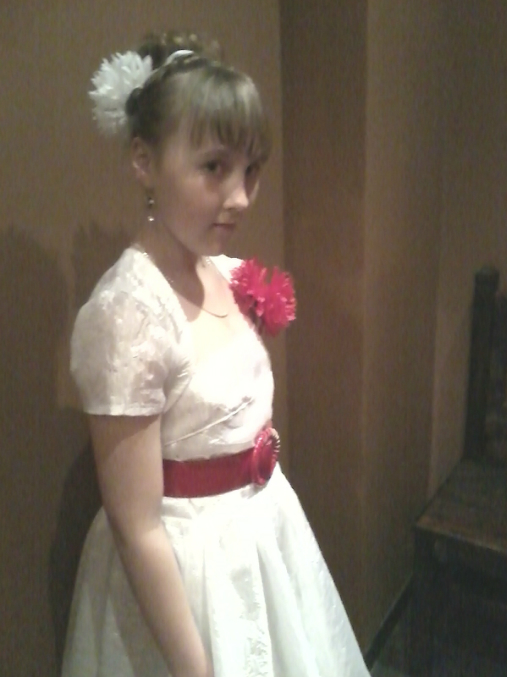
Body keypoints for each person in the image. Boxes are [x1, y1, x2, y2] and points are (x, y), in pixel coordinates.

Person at [62, 30, 370, 677]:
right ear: (144, 161)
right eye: (214, 167)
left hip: (260, 539)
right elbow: (136, 525)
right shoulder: (128, 314)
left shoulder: (227, 274)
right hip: (186, 574)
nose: (240, 197)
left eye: (250, 170)